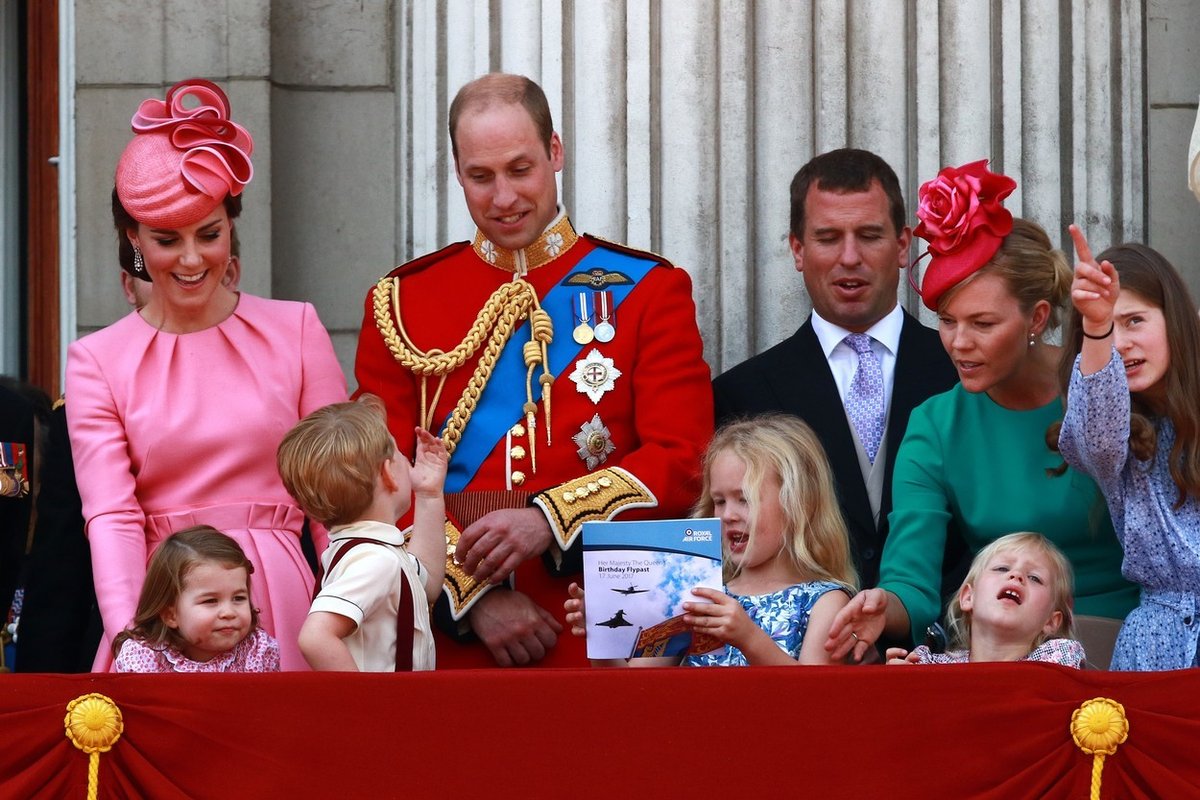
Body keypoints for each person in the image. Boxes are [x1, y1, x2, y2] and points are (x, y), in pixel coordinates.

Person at [353, 73, 713, 668]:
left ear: (556, 152)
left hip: (609, 616)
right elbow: (373, 480)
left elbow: (684, 459)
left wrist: (550, 518)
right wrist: (471, 600)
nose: (503, 198)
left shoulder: (649, 289)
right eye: (481, 176)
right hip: (448, 633)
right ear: (456, 170)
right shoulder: (401, 302)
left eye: (520, 170)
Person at [65, 78, 347, 671]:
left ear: (231, 229)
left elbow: (333, 500)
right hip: (164, 612)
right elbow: (112, 519)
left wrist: (353, 610)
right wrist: (130, 643)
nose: (193, 260)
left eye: (210, 235)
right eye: (168, 240)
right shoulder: (97, 360)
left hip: (288, 606)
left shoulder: (296, 329)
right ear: (134, 241)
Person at [826, 160, 1137, 662]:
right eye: (947, 321)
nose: (959, 343)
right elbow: (912, 578)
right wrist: (886, 606)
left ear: (1037, 317)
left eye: (983, 323)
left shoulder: (1106, 389)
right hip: (1002, 662)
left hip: (1132, 646)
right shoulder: (935, 425)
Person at [712, 149, 958, 592]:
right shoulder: (740, 395)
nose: (850, 257)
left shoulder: (964, 373)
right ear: (797, 249)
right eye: (828, 238)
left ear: (903, 246)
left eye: (869, 235)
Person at [16, 234, 239, 673]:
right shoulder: (83, 399)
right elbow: (62, 565)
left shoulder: (273, 372)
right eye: (151, 273)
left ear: (229, 272)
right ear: (128, 285)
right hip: (136, 618)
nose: (178, 284)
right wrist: (43, 680)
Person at [564, 415, 857, 666]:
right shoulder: (695, 593)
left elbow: (816, 699)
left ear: (799, 504)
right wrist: (600, 632)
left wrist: (748, 638)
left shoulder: (827, 602)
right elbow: (634, 690)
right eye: (719, 501)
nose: (728, 515)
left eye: (745, 499)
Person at [1058, 231, 1200, 671]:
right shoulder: (1119, 439)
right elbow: (1097, 438)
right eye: (1106, 328)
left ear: (1175, 318)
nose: (1121, 343)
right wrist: (1095, 326)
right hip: (1160, 649)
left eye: (1134, 320)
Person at [278, 397, 447, 671]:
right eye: (401, 455)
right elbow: (315, 637)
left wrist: (429, 495)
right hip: (384, 711)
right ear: (389, 473)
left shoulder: (370, 551)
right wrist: (364, 704)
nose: (408, 461)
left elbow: (428, 581)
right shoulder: (375, 561)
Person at [886, 532, 1083, 666]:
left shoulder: (1056, 658)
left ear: (1051, 621)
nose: (1016, 576)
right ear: (968, 597)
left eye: (1034, 578)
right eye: (1002, 568)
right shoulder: (931, 666)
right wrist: (899, 682)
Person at [113, 526, 280, 673]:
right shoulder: (144, 656)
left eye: (238, 598)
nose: (229, 612)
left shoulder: (258, 650)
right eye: (210, 601)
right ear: (171, 615)